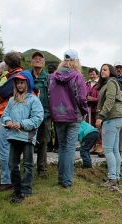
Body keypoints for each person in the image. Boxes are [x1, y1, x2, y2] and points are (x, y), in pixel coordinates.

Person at [1, 71, 43, 203]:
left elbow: (38, 118)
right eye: (17, 83)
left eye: (22, 82)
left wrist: (21, 124)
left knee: (28, 164)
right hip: (13, 136)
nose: (19, 85)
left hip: (27, 137)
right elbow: (5, 114)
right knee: (12, 165)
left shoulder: (34, 100)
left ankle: (25, 190)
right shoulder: (12, 100)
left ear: (28, 83)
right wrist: (7, 121)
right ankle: (17, 188)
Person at [49, 49, 87, 188]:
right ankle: (67, 180)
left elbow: (49, 95)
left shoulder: (53, 76)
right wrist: (84, 111)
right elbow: (82, 98)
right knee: (70, 148)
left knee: (62, 147)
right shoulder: (77, 76)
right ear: (76, 61)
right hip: (73, 116)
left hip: (58, 115)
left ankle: (61, 178)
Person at [0, 51, 24, 192]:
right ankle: (13, 177)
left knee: (4, 148)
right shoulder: (23, 75)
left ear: (7, 64)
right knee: (13, 149)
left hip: (8, 116)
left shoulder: (14, 77)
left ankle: (7, 180)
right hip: (18, 115)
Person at [96, 63, 122, 191]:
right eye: (101, 69)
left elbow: (110, 100)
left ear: (111, 71)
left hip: (111, 118)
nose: (103, 71)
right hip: (118, 118)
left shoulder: (111, 82)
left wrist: (101, 116)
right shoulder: (110, 83)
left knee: (107, 150)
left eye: (105, 69)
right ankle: (116, 177)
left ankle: (112, 178)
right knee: (114, 150)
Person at [30, 51, 51, 178]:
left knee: (43, 141)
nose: (37, 60)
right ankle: (28, 167)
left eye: (40, 58)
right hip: (29, 116)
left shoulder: (49, 78)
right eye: (35, 58)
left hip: (45, 115)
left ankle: (42, 169)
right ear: (31, 62)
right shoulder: (27, 76)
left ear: (44, 63)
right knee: (28, 141)